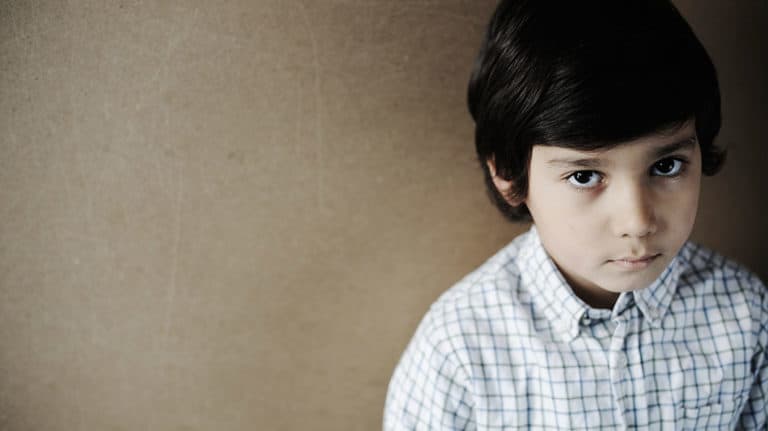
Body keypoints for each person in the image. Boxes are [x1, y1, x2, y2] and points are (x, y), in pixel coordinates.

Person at [383, 0, 767, 429]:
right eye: (585, 176)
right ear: (508, 175)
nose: (638, 222)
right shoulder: (459, 353)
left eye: (666, 166)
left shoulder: (747, 316)